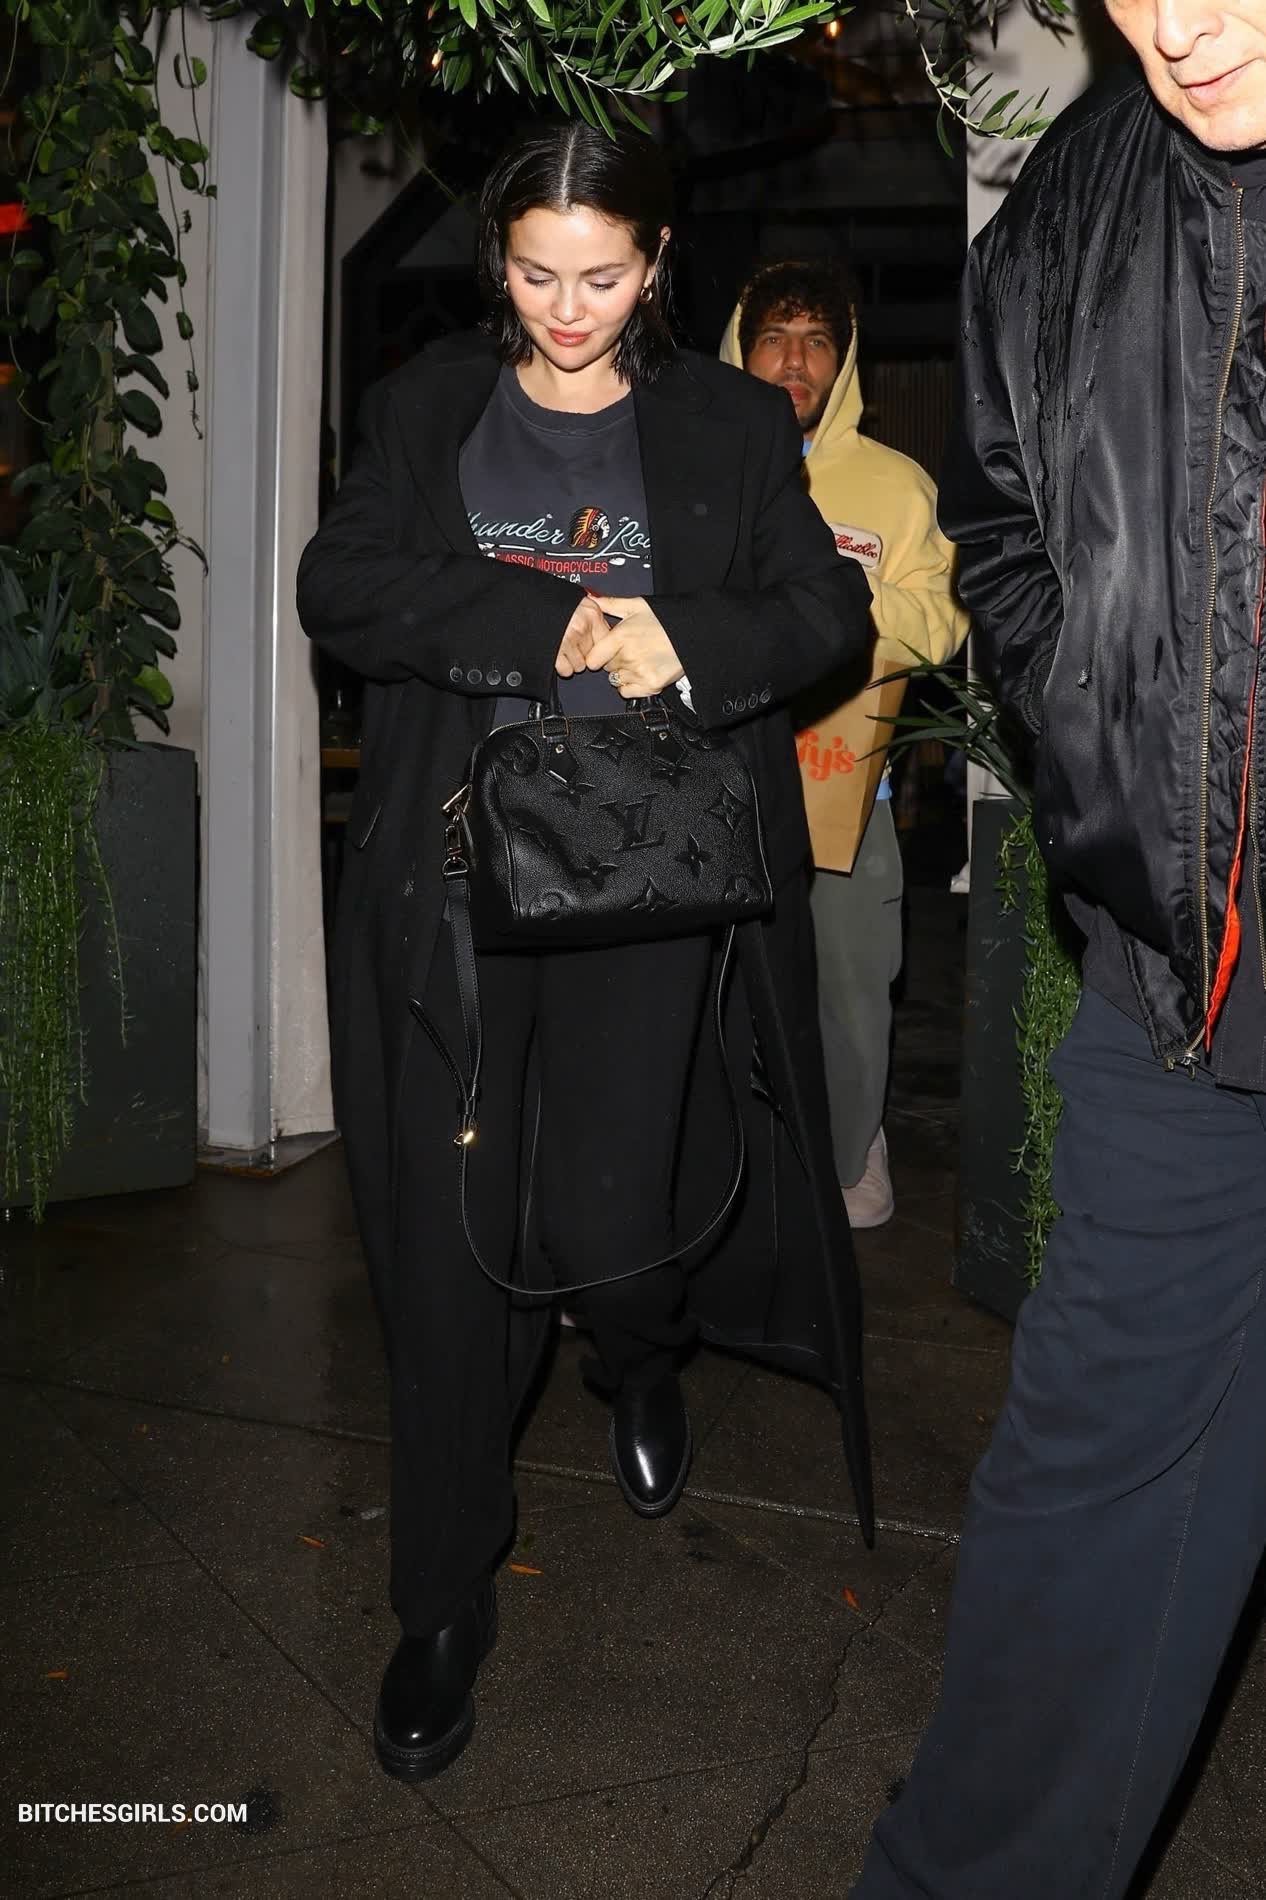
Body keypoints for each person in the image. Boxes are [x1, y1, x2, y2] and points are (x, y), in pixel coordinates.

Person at [297, 122, 875, 1786]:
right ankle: (440, 1595)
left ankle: (637, 1351)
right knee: (450, 1251)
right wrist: (531, 619)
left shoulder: (730, 422)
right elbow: (341, 582)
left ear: (657, 260)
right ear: (499, 262)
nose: (566, 309)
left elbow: (823, 615)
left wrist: (678, 634)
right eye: (537, 274)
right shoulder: (425, 410)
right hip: (455, 881)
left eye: (602, 277)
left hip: (642, 874)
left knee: (615, 1228)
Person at [852, 15, 1266, 1899]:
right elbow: (1001, 522)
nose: (1176, 23)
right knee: (1079, 1510)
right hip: (1177, 981)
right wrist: (1089, 718)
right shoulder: (1070, 203)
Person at [722, 262, 967, 1227]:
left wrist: (838, 602)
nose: (795, 361)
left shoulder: (894, 486)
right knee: (710, 984)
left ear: (845, 360)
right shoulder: (688, 464)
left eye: (817, 342)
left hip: (842, 791)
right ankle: (726, 1161)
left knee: (854, 985)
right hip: (710, 786)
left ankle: (854, 1141)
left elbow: (943, 621)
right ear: (740, 349)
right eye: (774, 338)